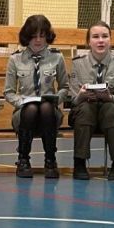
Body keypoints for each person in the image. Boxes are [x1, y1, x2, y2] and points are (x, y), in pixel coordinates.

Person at [4, 14, 69, 178]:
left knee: (46, 107)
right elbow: (9, 92)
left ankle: (50, 160)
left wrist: (56, 99)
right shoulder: (15, 59)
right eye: (33, 36)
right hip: (24, 114)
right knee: (31, 108)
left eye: (42, 35)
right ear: (27, 37)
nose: (38, 40)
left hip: (50, 114)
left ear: (48, 36)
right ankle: (23, 160)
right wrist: (21, 102)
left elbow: (65, 87)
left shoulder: (57, 57)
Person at [69, 21, 114, 180]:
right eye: (95, 37)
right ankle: (79, 163)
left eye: (105, 36)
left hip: (111, 113)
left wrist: (109, 97)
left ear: (110, 40)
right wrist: (81, 96)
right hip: (85, 113)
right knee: (85, 109)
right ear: (88, 41)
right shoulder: (77, 63)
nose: (100, 40)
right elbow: (73, 102)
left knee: (111, 110)